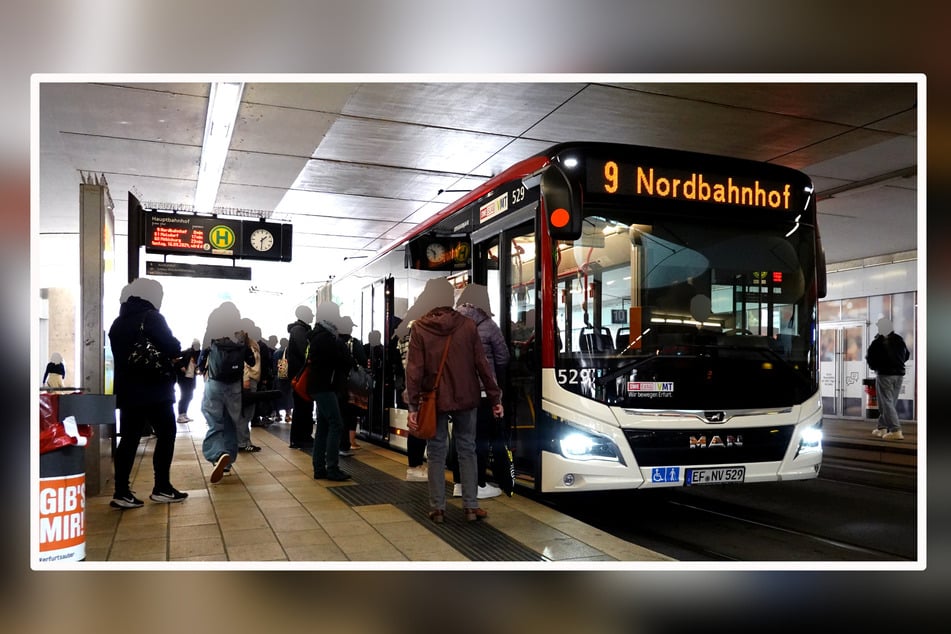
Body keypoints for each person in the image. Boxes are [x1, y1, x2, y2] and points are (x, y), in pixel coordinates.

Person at [403, 277, 503, 523]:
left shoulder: (419, 328)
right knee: (467, 449)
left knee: (436, 452)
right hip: (466, 396)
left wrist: (413, 405)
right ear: (451, 299)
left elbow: (413, 370)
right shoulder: (468, 326)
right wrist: (494, 396)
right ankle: (471, 506)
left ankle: (438, 508)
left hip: (433, 398)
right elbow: (483, 365)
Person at [107, 277, 187, 508]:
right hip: (154, 390)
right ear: (151, 296)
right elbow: (172, 346)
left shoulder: (118, 322)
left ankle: (121, 492)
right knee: (166, 434)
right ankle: (161, 487)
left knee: (129, 439)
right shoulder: (151, 317)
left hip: (128, 391)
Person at [451, 284, 510, 499]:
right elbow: (503, 358)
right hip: (483, 393)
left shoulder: (451, 323)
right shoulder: (488, 325)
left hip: (458, 392)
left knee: (461, 438)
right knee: (481, 440)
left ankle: (459, 482)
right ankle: (478, 484)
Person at [200, 302, 255, 483]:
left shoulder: (212, 331)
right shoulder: (239, 333)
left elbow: (202, 357)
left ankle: (218, 454)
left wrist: (203, 368)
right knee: (231, 422)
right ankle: (227, 463)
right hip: (234, 385)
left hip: (215, 382)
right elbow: (251, 360)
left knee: (215, 421)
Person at [307, 302, 352, 481]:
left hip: (320, 386)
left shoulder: (319, 335)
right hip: (325, 387)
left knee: (324, 427)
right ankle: (332, 468)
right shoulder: (326, 338)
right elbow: (340, 361)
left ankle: (319, 468)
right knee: (336, 425)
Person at [866, 317, 910, 440]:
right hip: (899, 374)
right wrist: (898, 363)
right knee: (890, 402)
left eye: (879, 326)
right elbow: (907, 354)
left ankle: (896, 430)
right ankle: (882, 427)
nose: (878, 328)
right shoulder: (899, 339)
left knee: (885, 403)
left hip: (885, 374)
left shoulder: (878, 342)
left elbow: (870, 357)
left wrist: (875, 367)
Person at [337, 315, 368, 455]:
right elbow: (362, 360)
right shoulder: (354, 343)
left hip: (336, 383)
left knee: (338, 413)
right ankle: (349, 442)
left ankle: (336, 443)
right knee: (351, 413)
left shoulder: (333, 341)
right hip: (352, 384)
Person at [287, 305, 315, 449]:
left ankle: (302, 437)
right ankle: (301, 438)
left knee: (303, 407)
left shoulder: (300, 330)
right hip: (301, 375)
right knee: (303, 407)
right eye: (310, 313)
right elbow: (305, 352)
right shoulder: (299, 331)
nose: (312, 315)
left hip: (299, 374)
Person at [236, 319, 263, 453]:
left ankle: (244, 441)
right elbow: (245, 364)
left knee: (246, 413)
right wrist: (246, 379)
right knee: (246, 414)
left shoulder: (249, 343)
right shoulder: (246, 345)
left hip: (251, 380)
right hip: (249, 380)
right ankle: (243, 442)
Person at [174, 339, 201, 423]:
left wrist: (198, 370)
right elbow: (175, 358)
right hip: (184, 378)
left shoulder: (199, 354)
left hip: (191, 378)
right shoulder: (187, 352)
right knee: (185, 396)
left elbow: (198, 364)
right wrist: (181, 366)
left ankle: (184, 413)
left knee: (189, 396)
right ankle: (180, 415)